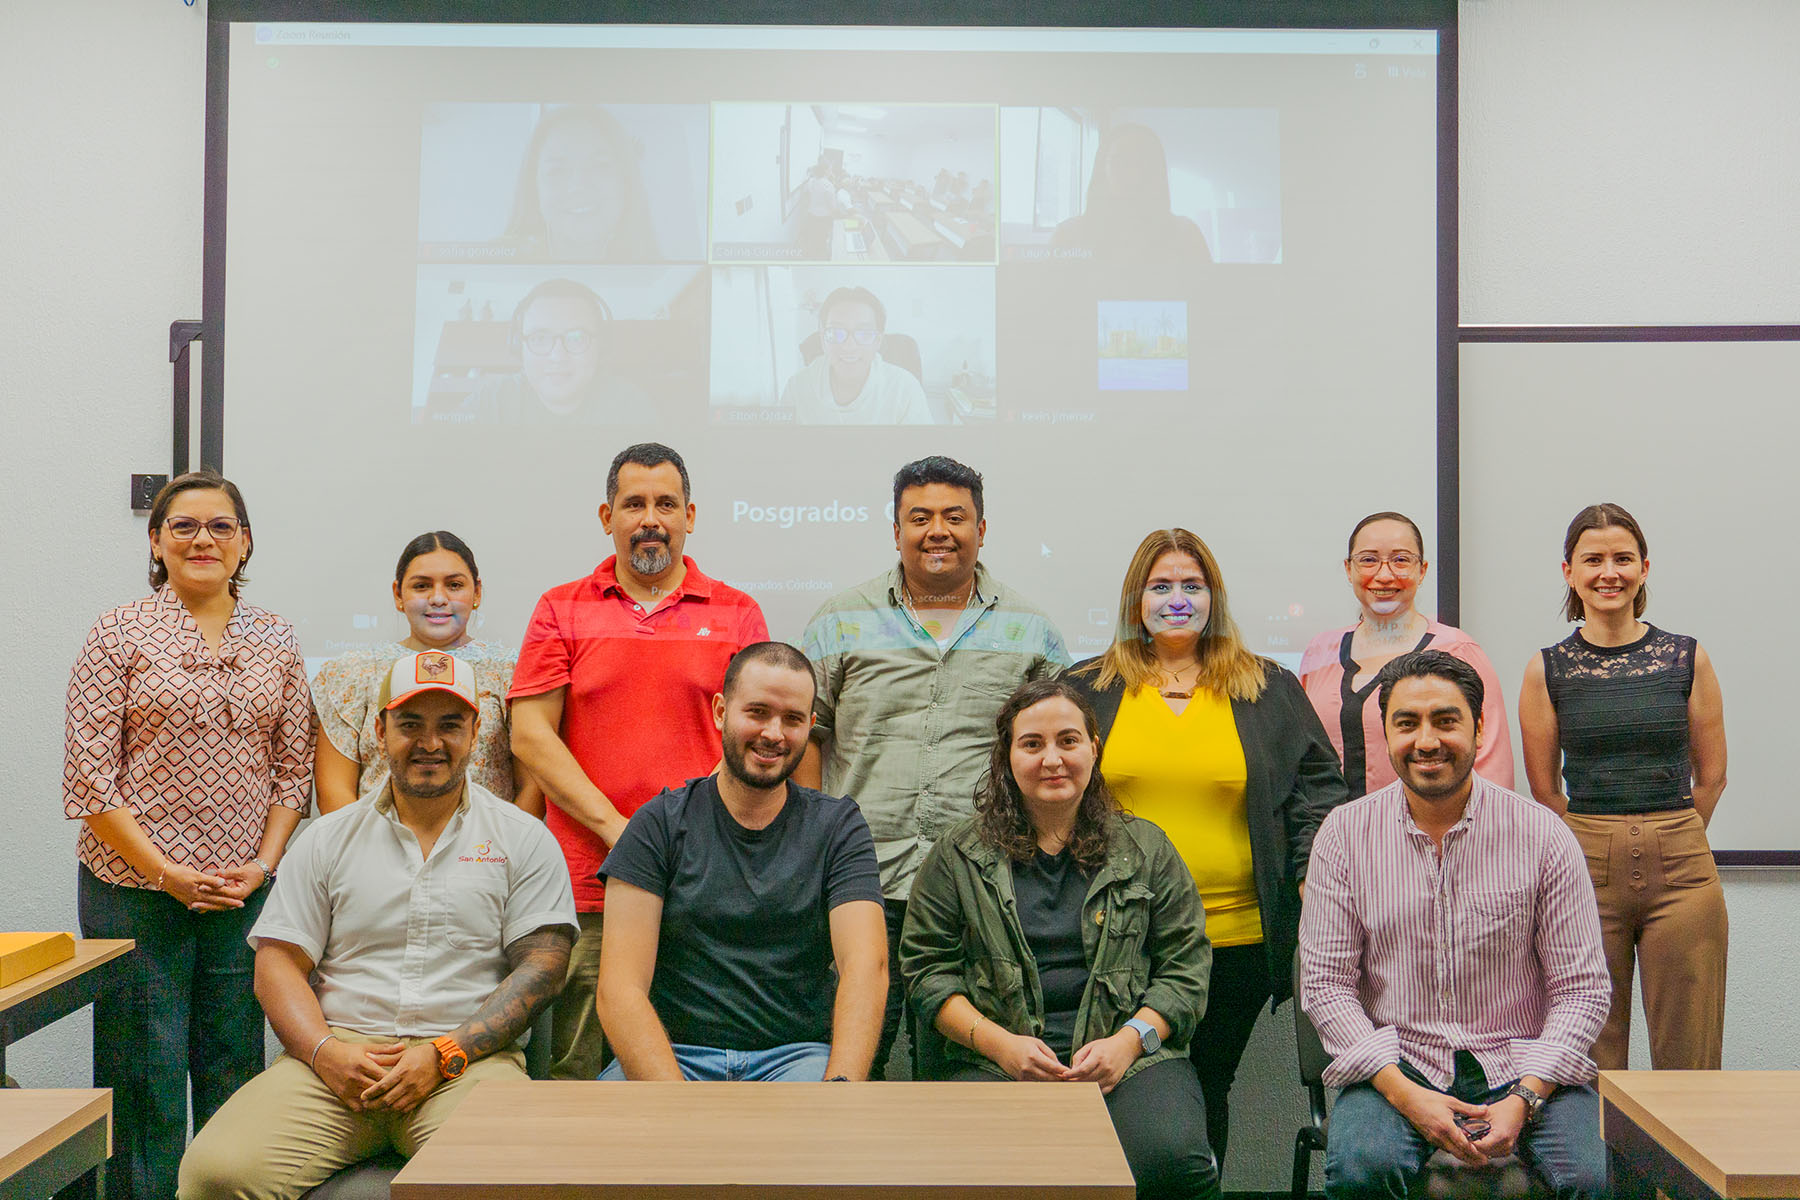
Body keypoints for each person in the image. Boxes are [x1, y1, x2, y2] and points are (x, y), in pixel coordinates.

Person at [178, 650, 578, 1200]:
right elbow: (277, 965)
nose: (430, 743)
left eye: (450, 725)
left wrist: (445, 1056)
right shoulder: (327, 838)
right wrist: (325, 1052)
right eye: (410, 724)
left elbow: (545, 966)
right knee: (213, 1174)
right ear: (380, 728)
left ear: (477, 731)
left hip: (465, 1065)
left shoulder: (522, 838)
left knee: (510, 1173)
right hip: (336, 1063)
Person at [63, 470, 314, 1200]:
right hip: (133, 887)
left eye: (220, 526)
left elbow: (293, 768)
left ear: (245, 543)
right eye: (184, 526)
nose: (203, 539)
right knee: (143, 1071)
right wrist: (167, 871)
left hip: (243, 893)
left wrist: (262, 869)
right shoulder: (119, 631)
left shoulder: (274, 636)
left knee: (234, 1062)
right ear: (155, 541)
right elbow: (90, 777)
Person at [1067, 527, 1347, 1168]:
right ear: (1134, 600)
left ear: (1214, 598)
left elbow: (1318, 791)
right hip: (1113, 936)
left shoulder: (1266, 687)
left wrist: (1308, 871)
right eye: (1160, 586)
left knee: (1203, 1086)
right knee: (1117, 1089)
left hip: (1236, 939)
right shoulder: (1088, 688)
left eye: (1192, 586)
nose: (1177, 600)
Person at [1300, 650, 1612, 1200]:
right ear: (1386, 731)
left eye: (1446, 721)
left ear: (1479, 727)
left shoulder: (1542, 835)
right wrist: (1402, 1093)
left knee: (1589, 1179)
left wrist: (1526, 1098)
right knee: (1361, 1170)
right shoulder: (1343, 837)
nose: (1426, 741)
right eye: (1407, 723)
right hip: (1397, 1063)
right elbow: (1326, 987)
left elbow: (1582, 991)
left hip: (1524, 1063)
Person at [799, 455, 1070, 1078]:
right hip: (859, 884)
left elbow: (1058, 753)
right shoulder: (841, 619)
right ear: (896, 531)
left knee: (954, 1076)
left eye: (955, 516)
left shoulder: (1031, 630)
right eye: (919, 517)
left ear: (983, 527)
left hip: (979, 887)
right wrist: (809, 845)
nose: (937, 531)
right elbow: (806, 738)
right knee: (847, 1061)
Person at [899, 679, 1220, 1200]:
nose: (1053, 758)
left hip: (1130, 1060)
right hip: (993, 1062)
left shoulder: (1146, 848)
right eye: (1032, 744)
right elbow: (925, 972)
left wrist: (1127, 1043)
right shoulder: (956, 855)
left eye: (1068, 741)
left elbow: (1185, 967)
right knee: (982, 1169)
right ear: (1007, 756)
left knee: (1169, 1160)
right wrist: (1002, 1047)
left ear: (1094, 748)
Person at [510, 442, 770, 1079]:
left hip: (704, 883)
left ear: (690, 515)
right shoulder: (560, 607)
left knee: (695, 1068)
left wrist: (678, 840)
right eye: (634, 504)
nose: (650, 517)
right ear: (607, 517)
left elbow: (758, 738)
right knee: (578, 1073)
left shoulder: (738, 613)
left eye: (665, 503)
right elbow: (531, 736)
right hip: (587, 882)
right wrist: (621, 833)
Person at [596, 642, 887, 1081]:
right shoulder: (658, 824)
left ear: (810, 727)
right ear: (720, 711)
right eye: (757, 712)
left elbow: (866, 967)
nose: (774, 733)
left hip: (796, 1059)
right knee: (611, 1142)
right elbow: (619, 988)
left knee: (826, 1143)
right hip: (673, 1056)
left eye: (792, 719)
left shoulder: (838, 827)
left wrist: (838, 1093)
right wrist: (676, 1105)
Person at [1518, 502, 1728, 1070]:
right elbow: (1545, 791)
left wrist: (1671, 834)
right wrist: (1602, 840)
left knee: (1691, 1061)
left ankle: (1682, 1165)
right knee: (1591, 1055)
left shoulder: (1687, 658)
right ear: (1569, 572)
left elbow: (1712, 776)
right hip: (1585, 868)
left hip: (1684, 871)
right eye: (1593, 559)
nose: (1608, 572)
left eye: (1622, 559)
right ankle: (1602, 1164)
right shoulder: (1546, 669)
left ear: (1644, 568)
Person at [310, 531, 539, 814]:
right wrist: (367, 854)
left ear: (477, 592)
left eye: (454, 585)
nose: (438, 598)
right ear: (398, 594)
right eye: (421, 586)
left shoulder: (512, 672)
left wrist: (500, 851)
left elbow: (533, 787)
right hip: (373, 850)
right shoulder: (351, 674)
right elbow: (334, 791)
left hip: (484, 852)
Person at [1299, 511, 1513, 798]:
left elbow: (1492, 766)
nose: (1384, 575)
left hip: (1431, 834)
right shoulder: (1320, 652)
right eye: (1368, 560)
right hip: (1331, 834)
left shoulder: (1458, 651)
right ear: (1349, 569)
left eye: (1401, 560)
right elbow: (1299, 755)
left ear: (1422, 570)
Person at [473, 279, 651, 426]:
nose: (557, 357)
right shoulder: (491, 401)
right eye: (540, 338)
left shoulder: (632, 406)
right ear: (519, 347)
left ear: (601, 346)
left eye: (576, 338)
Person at [501, 104, 661, 261]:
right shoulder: (494, 270)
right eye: (557, 171)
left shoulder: (668, 279)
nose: (578, 185)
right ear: (534, 189)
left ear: (626, 181)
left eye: (599, 166)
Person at [1048, 123, 1213, 264]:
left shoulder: (1186, 235)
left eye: (1145, 163)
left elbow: (1208, 297)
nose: (1134, 174)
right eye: (1121, 162)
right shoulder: (1068, 235)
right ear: (1102, 170)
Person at [779, 286, 931, 425]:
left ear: (878, 341)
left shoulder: (905, 390)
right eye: (836, 332)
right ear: (822, 339)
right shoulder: (797, 389)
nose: (849, 346)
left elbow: (923, 450)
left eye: (864, 333)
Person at [800, 162, 838, 260]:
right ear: (825, 171)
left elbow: (806, 194)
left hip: (811, 215)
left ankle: (811, 255)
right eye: (830, 169)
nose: (831, 172)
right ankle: (819, 257)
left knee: (813, 236)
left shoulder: (811, 181)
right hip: (823, 218)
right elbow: (832, 206)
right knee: (821, 239)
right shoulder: (828, 185)